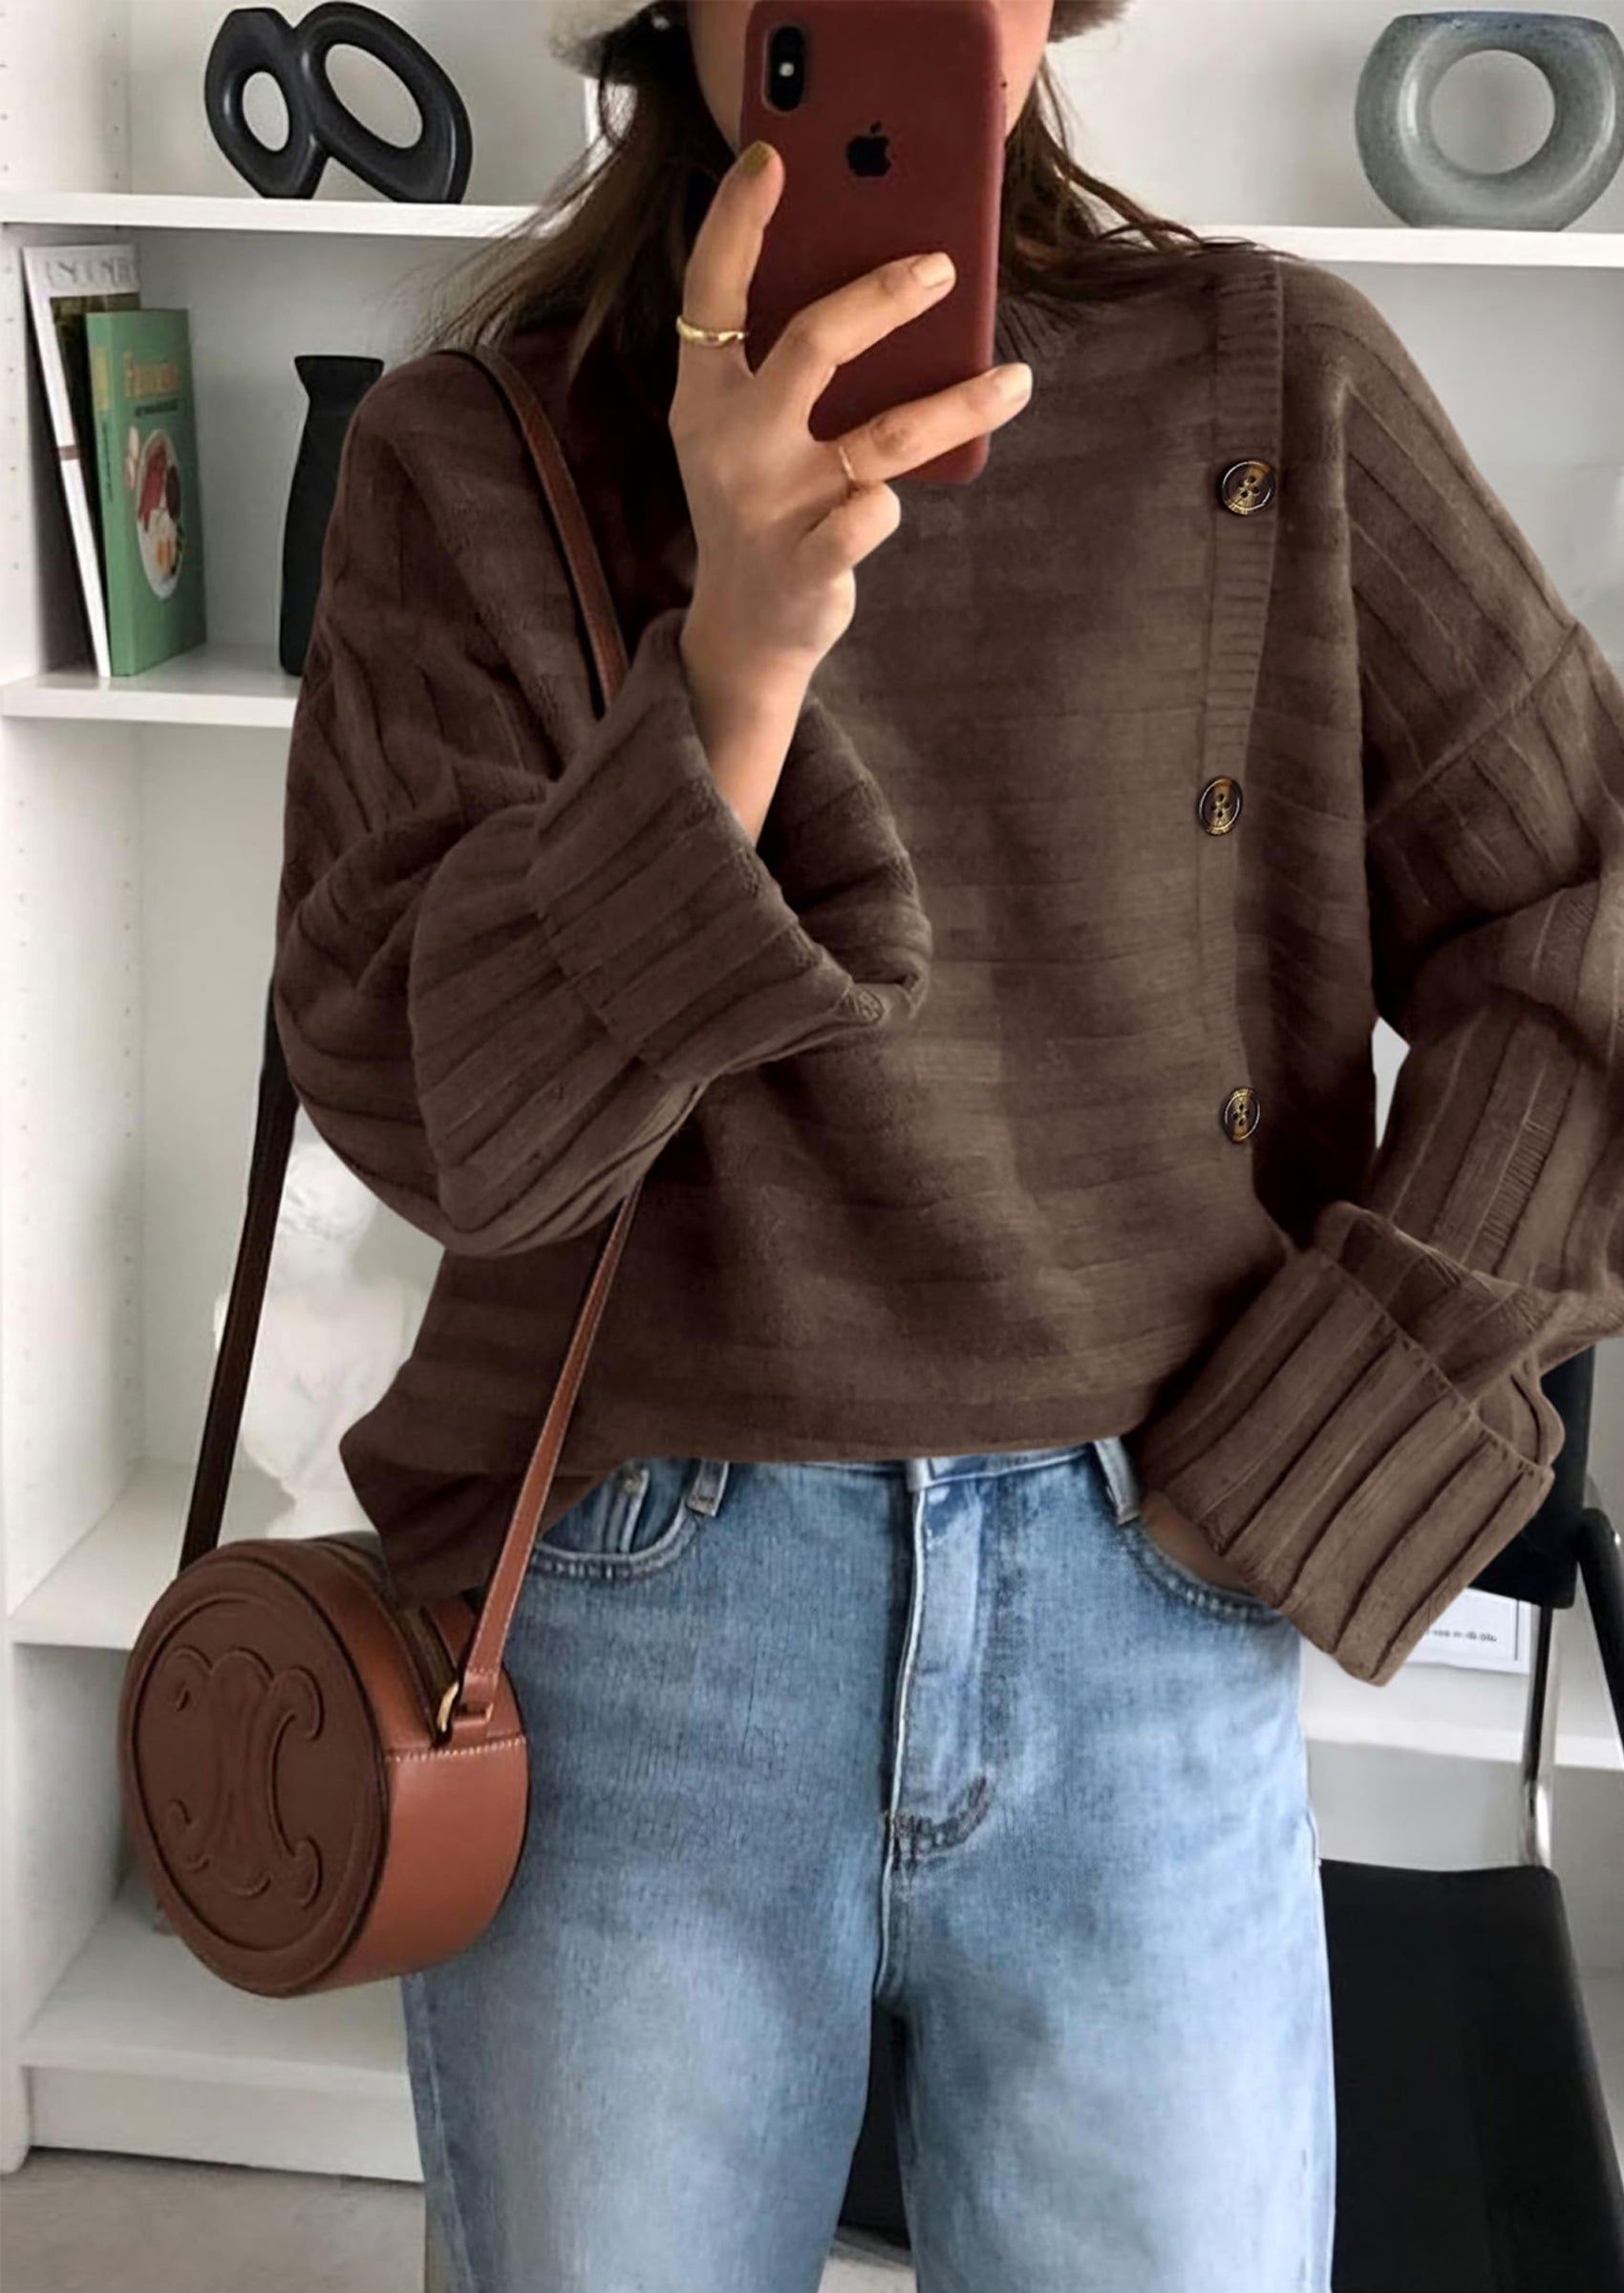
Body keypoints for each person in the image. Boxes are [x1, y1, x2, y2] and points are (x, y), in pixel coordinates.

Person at [270, 2, 1624, 2287]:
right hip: (633, 1630)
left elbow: (1582, 925)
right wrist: (731, 671)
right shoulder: (476, 450)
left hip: (1153, 1606)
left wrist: (1340, 1434)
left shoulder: (1270, 383)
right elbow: (437, 1126)